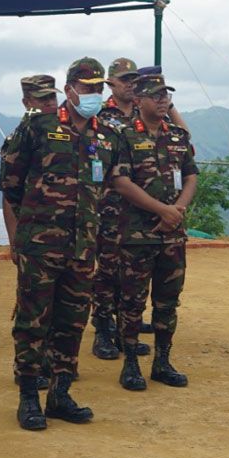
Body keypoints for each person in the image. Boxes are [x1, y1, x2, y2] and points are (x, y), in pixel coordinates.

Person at [0, 57, 114, 430]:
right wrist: (19, 237)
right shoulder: (39, 127)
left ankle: (61, 393)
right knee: (33, 322)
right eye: (87, 88)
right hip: (40, 246)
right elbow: (11, 187)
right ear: (68, 91)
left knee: (73, 321)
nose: (94, 94)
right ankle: (29, 396)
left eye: (99, 88)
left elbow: (106, 189)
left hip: (82, 247)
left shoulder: (105, 136)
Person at [111, 73, 196, 390]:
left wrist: (177, 211)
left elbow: (190, 176)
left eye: (166, 95)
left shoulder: (177, 136)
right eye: (156, 95)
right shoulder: (123, 137)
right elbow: (121, 182)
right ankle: (131, 363)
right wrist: (162, 210)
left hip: (172, 234)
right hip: (137, 234)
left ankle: (162, 361)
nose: (163, 100)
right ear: (138, 100)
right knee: (132, 302)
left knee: (167, 301)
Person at [0, 74, 60, 391]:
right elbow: (10, 193)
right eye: (42, 99)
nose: (50, 104)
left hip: (63, 241)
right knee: (33, 309)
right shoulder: (20, 138)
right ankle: (28, 371)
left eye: (52, 98)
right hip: (35, 238)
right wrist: (16, 238)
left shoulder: (65, 134)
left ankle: (51, 363)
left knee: (59, 309)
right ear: (27, 103)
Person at [90, 57, 148, 360]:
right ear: (110, 83)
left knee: (134, 271)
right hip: (109, 206)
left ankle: (127, 329)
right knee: (108, 270)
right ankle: (102, 328)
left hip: (141, 209)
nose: (131, 85)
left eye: (135, 79)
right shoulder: (99, 115)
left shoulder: (146, 112)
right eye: (125, 79)